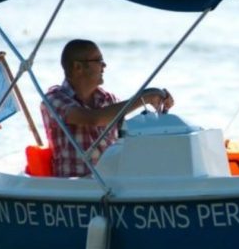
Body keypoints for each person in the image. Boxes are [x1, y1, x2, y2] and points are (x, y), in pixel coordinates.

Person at [40, 39, 174, 177]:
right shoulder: (54, 99)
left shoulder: (109, 99)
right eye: (98, 60)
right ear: (78, 67)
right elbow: (93, 119)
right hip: (73, 189)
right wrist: (144, 98)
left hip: (111, 186)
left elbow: (126, 138)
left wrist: (160, 106)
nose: (104, 65)